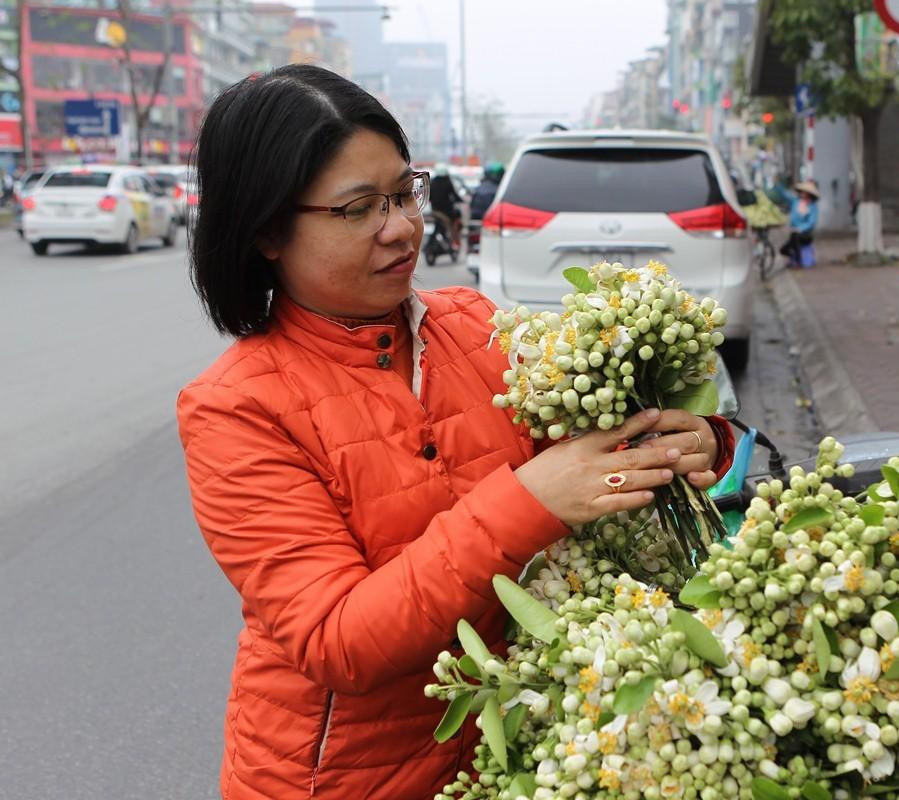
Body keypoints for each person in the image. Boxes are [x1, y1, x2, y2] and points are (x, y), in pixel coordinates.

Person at [177, 64, 734, 800]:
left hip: (507, 752)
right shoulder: (235, 408)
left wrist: (696, 442)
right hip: (344, 778)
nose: (403, 226)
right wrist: (532, 499)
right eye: (358, 209)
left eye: (405, 192)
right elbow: (336, 639)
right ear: (268, 231)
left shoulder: (475, 326)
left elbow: (600, 457)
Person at [781, 179, 820, 268]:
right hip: (794, 233)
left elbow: (811, 222)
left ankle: (798, 262)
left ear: (808, 193)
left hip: (806, 235)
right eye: (802, 191)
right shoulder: (796, 201)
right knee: (783, 250)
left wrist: (800, 228)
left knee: (796, 236)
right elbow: (786, 195)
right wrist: (779, 186)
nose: (802, 193)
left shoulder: (813, 207)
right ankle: (794, 258)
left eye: (804, 191)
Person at [429, 161, 464, 245]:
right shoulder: (447, 182)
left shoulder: (432, 182)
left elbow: (429, 197)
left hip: (435, 210)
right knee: (457, 217)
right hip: (446, 212)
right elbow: (454, 195)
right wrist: (461, 200)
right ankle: (455, 240)